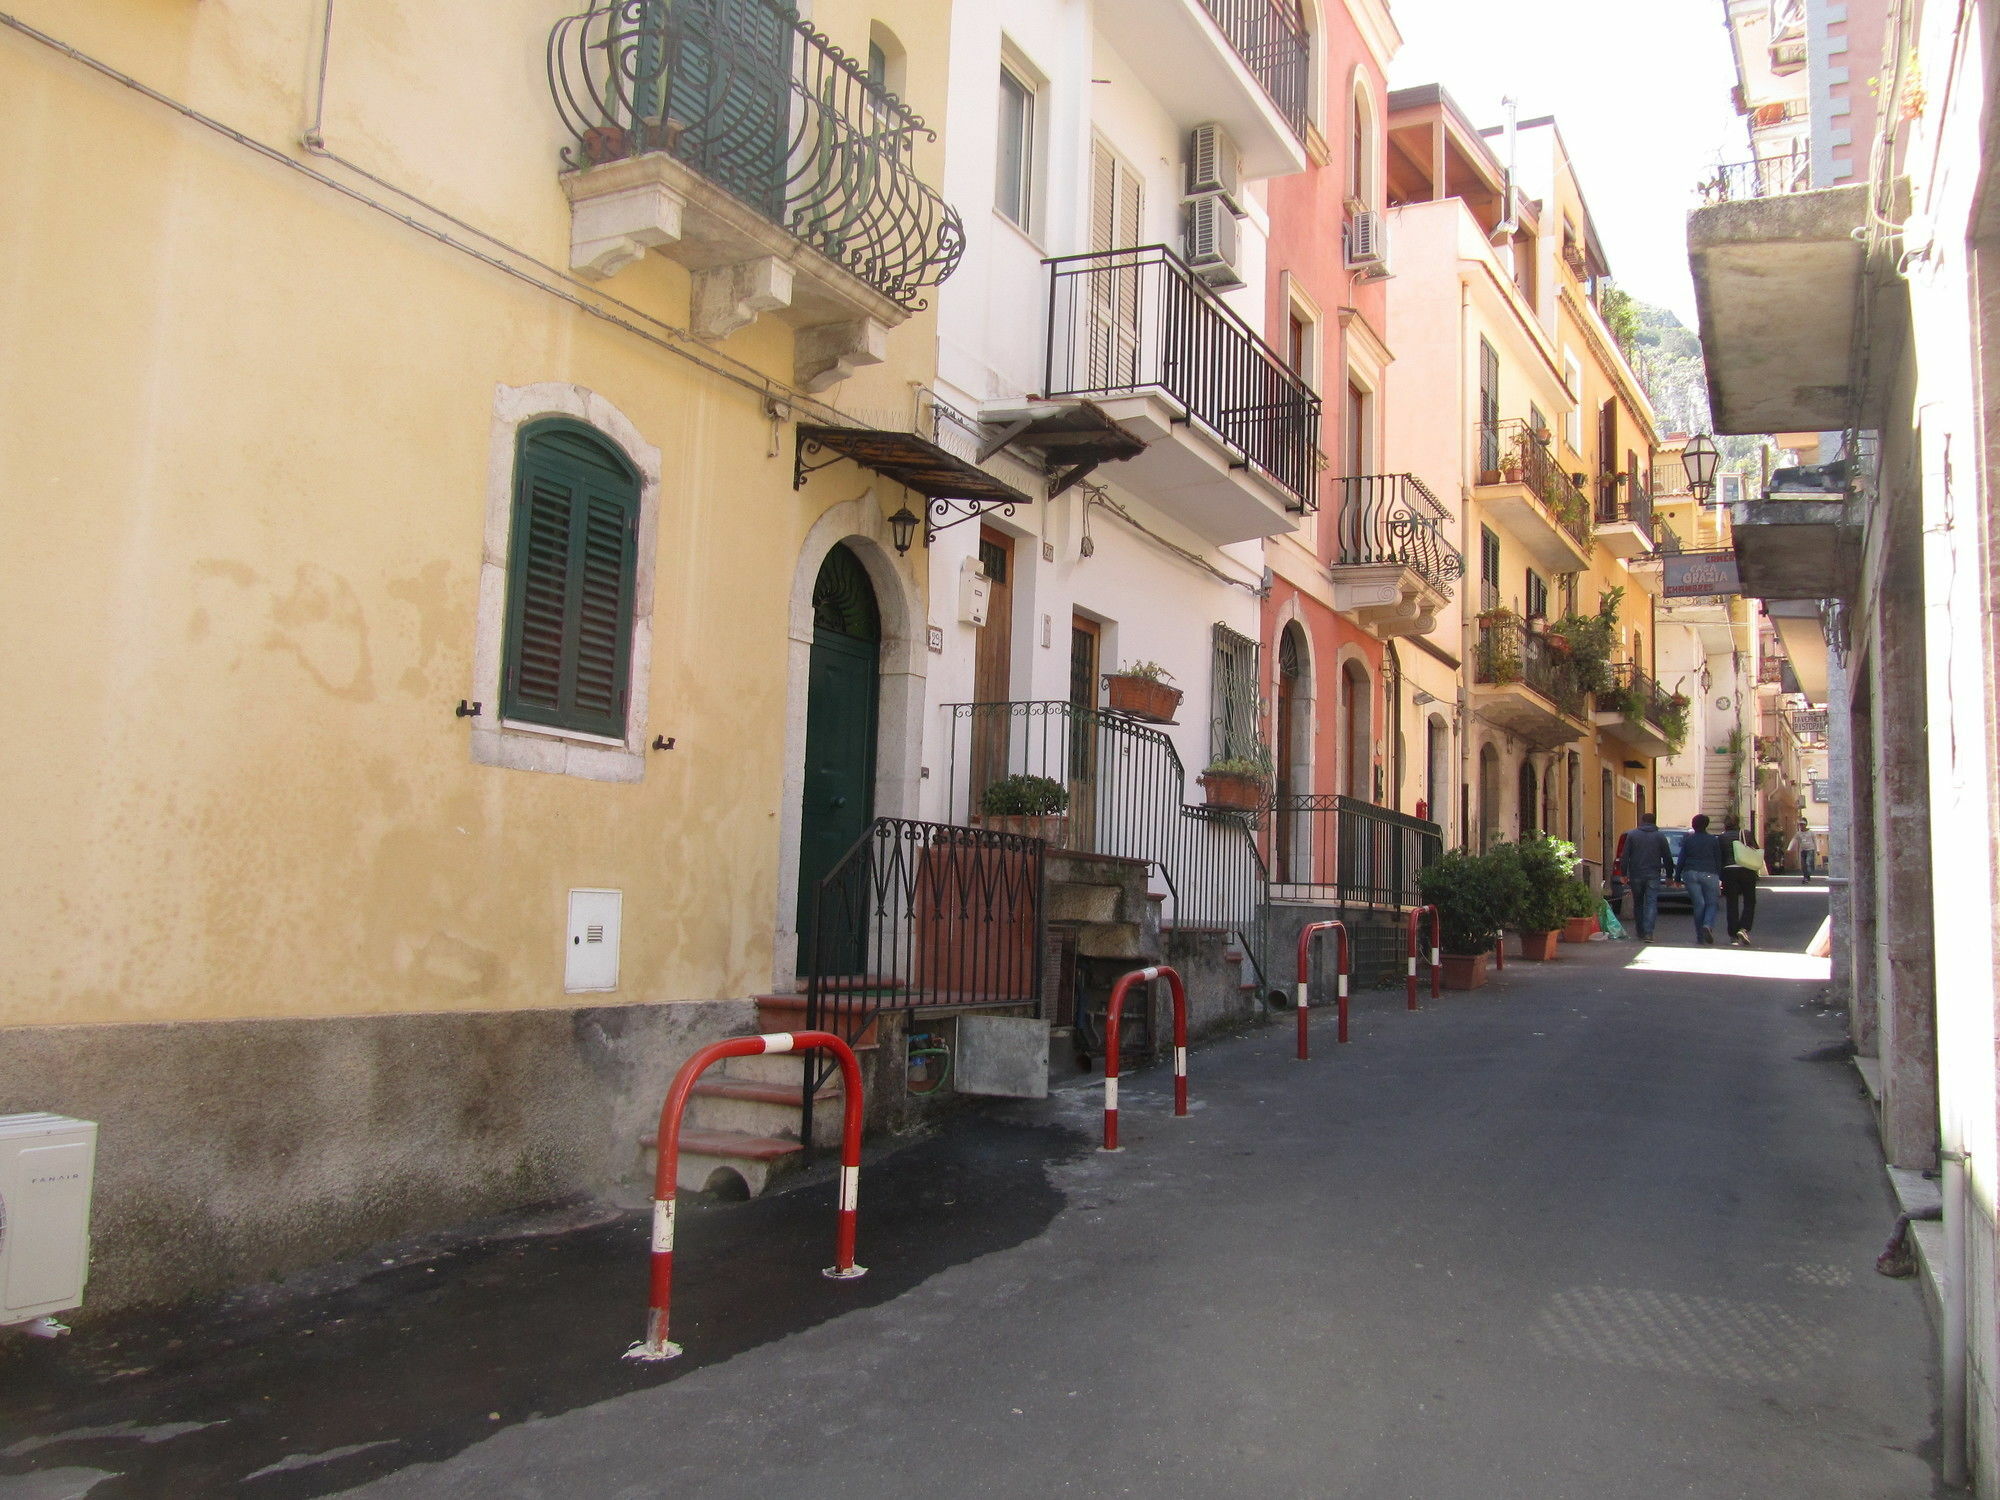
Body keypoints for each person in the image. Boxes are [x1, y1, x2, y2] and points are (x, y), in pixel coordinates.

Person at [1618, 812, 1674, 943]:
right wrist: (1669, 875)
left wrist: (1623, 874)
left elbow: (1625, 855)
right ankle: (1649, 933)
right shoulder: (1660, 836)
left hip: (1636, 874)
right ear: (1655, 821)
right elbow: (1667, 857)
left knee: (1638, 903)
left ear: (1642, 821)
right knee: (1651, 902)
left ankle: (1640, 930)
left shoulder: (1632, 835)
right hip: (1653, 874)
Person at [1677, 812, 1729, 944]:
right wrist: (1720, 876)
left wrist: (1677, 876)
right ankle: (1707, 925)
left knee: (1699, 904)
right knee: (1711, 903)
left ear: (1693, 825)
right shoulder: (1713, 840)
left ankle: (1700, 936)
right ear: (1706, 825)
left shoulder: (1688, 840)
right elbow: (1718, 859)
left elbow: (1681, 859)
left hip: (1691, 873)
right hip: (1710, 873)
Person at [1720, 821, 1763, 946]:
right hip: (1746, 869)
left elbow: (1720, 856)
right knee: (1750, 900)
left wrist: (1720, 874)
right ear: (1738, 824)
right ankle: (1743, 928)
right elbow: (1756, 849)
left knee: (1731, 902)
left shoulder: (1722, 838)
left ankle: (1733, 935)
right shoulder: (1746, 834)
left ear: (1725, 826)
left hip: (1729, 871)